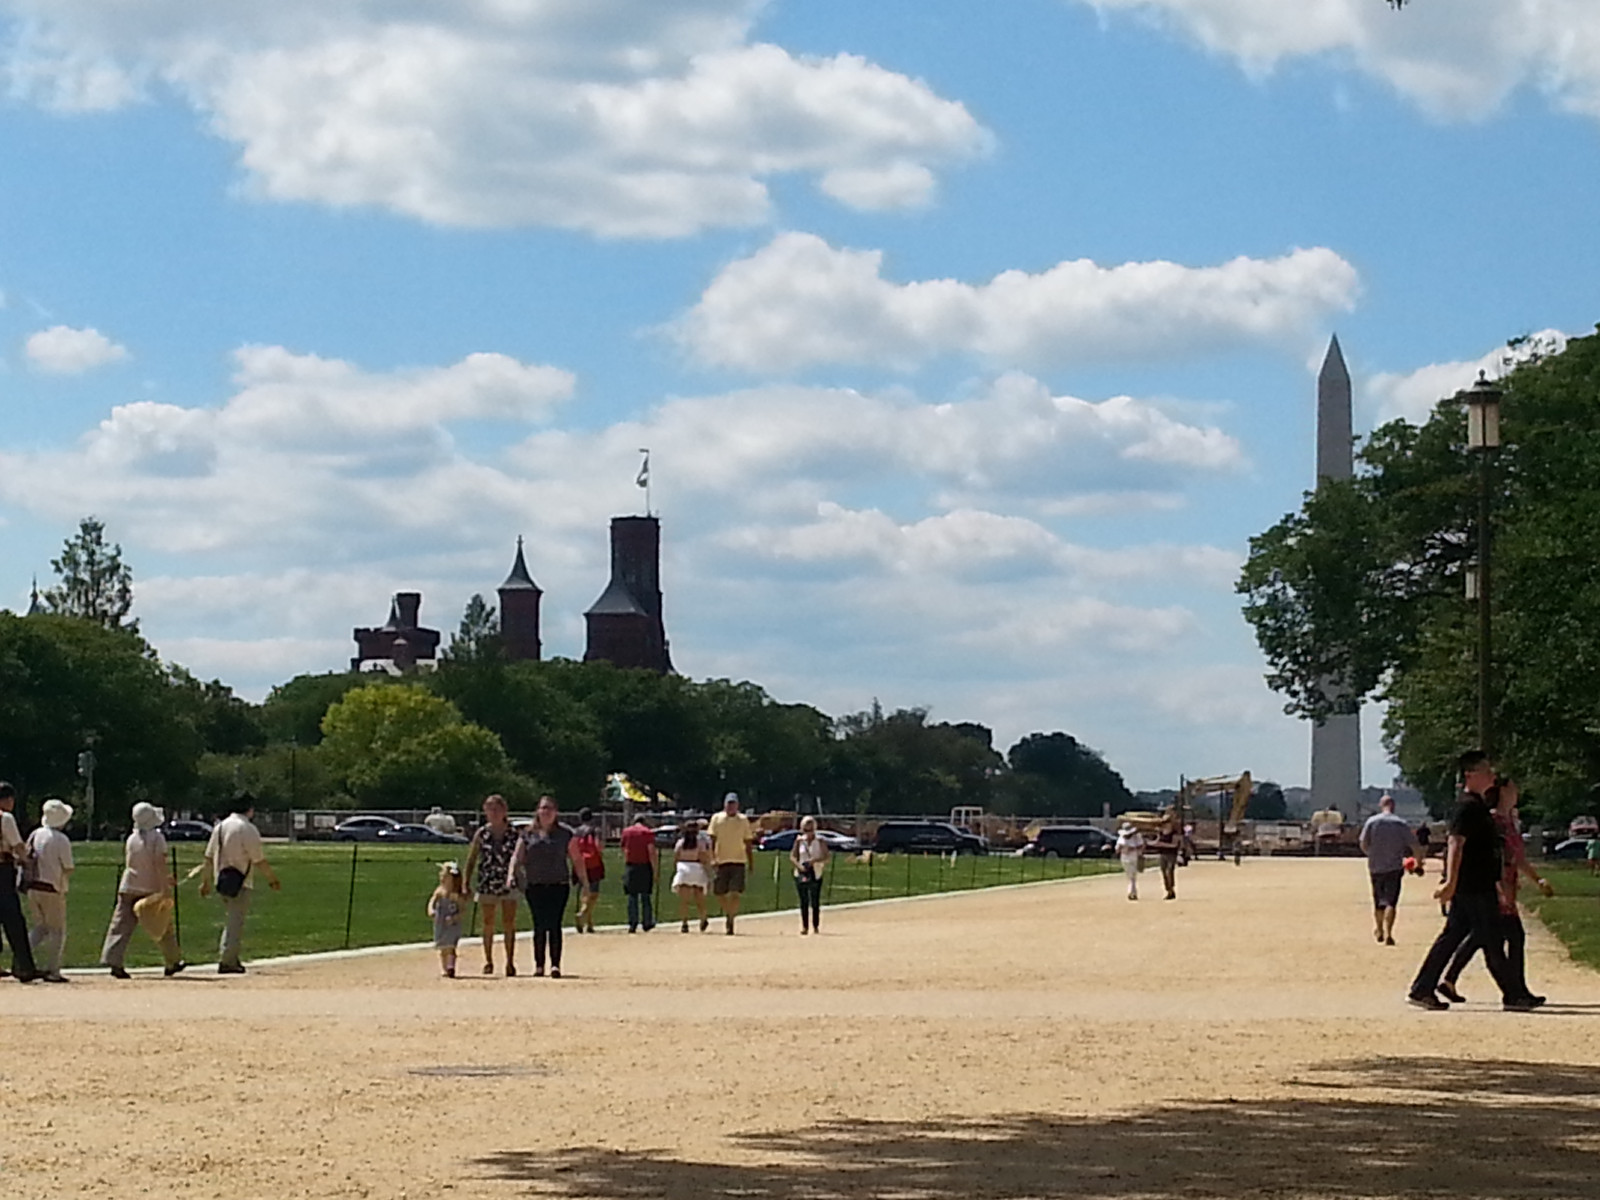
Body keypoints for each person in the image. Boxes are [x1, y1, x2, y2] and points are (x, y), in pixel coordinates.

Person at [1407, 750, 1538, 1011]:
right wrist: (1451, 882)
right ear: (1470, 775)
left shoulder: (1476, 806)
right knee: (1491, 939)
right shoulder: (1467, 807)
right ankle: (1513, 995)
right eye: (1486, 770)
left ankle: (1423, 988)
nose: (1492, 775)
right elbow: (1456, 843)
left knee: (1454, 936)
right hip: (1473, 885)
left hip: (1478, 883)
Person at [1438, 778, 1552, 1005]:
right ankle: (1516, 992)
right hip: (1495, 886)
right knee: (1499, 938)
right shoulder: (1494, 821)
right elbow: (1494, 857)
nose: (1516, 792)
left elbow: (1517, 857)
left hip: (1502, 885)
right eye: (1511, 789)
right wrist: (1500, 887)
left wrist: (1537, 879)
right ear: (1500, 793)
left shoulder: (1509, 821)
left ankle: (1451, 980)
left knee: (1481, 936)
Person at [101, 801, 185, 979]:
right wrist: (165, 887)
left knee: (120, 925)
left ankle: (113, 959)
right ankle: (173, 961)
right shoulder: (157, 838)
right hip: (150, 888)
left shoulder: (132, 838)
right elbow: (158, 864)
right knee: (162, 925)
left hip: (129, 885)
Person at [200, 793, 282, 975]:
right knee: (235, 921)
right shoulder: (247, 829)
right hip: (240, 880)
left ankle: (231, 956)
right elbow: (259, 859)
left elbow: (208, 857)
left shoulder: (220, 827)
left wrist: (205, 882)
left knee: (232, 918)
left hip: (221, 878)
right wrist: (272, 879)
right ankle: (228, 960)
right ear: (249, 809)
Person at [510, 795, 590, 978]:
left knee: (554, 924)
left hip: (558, 884)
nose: (546, 812)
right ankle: (539, 965)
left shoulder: (565, 834)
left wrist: (584, 882)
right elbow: (517, 857)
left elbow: (576, 858)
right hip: (534, 885)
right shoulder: (527, 834)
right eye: (543, 808)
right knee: (539, 925)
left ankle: (555, 965)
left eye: (550, 808)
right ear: (537, 811)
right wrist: (511, 875)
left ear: (556, 812)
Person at [464, 794, 521, 976]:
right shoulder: (482, 833)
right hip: (487, 881)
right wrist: (466, 882)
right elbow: (472, 859)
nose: (493, 813)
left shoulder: (514, 833)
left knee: (509, 923)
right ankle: (488, 960)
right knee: (488, 923)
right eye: (490, 810)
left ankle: (510, 961)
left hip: (508, 881)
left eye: (497, 809)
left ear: (504, 811)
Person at [1359, 794, 1422, 946]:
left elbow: (1363, 843)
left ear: (1381, 805)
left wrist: (1371, 854)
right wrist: (1418, 863)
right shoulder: (1400, 823)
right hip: (1394, 866)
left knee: (1378, 900)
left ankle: (1379, 928)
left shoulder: (1371, 822)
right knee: (1391, 901)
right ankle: (1389, 932)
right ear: (1393, 806)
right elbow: (1415, 846)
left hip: (1375, 866)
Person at [25, 798, 74, 982]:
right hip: (52, 887)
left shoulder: (36, 834)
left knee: (40, 928)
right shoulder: (61, 839)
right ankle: (53, 970)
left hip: (32, 886)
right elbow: (68, 866)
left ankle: (22, 960)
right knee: (57, 931)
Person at [0, 781, 40, 983]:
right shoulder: (5, 818)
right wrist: (26, 859)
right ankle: (24, 966)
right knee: (13, 919)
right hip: (2, 870)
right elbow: (17, 845)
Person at [708, 792, 755, 935]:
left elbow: (748, 842)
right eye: (729, 804)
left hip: (738, 860)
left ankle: (731, 920)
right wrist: (712, 858)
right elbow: (711, 841)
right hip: (721, 860)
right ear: (724, 804)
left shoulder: (743, 820)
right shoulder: (716, 818)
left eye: (733, 804)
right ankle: (728, 913)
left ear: (737, 805)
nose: (731, 807)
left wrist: (751, 862)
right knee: (719, 892)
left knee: (735, 892)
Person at [790, 817, 830, 935]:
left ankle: (816, 925)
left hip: (815, 872)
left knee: (815, 899)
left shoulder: (820, 841)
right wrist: (799, 866)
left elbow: (826, 856)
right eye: (806, 830)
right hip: (801, 872)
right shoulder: (799, 841)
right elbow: (792, 856)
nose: (808, 832)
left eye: (810, 829)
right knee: (803, 900)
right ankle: (804, 926)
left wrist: (814, 860)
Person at [619, 813, 658, 933]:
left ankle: (633, 923)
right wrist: (655, 870)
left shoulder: (626, 832)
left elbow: (623, 849)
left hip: (631, 866)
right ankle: (647, 922)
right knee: (646, 896)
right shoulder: (647, 832)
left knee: (632, 896)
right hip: (645, 866)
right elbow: (651, 851)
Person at [672, 819, 712, 933]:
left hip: (683, 868)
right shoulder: (700, 843)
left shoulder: (680, 843)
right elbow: (703, 857)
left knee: (684, 900)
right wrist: (708, 872)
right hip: (696, 868)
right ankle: (703, 918)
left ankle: (684, 923)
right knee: (699, 898)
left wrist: (676, 870)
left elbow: (676, 858)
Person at [428, 862, 465, 978]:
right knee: (442, 947)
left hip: (451, 924)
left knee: (450, 946)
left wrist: (455, 917)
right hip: (441, 922)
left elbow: (462, 910)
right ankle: (444, 967)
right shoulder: (440, 891)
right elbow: (432, 901)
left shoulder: (456, 895)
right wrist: (431, 910)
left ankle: (450, 967)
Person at [571, 807, 605, 934]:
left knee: (584, 892)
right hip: (593, 864)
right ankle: (583, 913)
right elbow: (598, 846)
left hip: (579, 863)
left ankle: (589, 923)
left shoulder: (576, 831)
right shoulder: (595, 830)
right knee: (594, 893)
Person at [1148, 816, 1181, 901]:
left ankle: (1171, 889)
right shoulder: (1161, 832)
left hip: (1171, 854)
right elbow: (1157, 841)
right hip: (1162, 854)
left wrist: (1161, 844)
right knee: (1163, 872)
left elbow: (1174, 845)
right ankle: (1168, 890)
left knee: (1169, 872)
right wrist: (1151, 843)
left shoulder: (1174, 833)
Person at [1115, 823, 1145, 901]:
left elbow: (1141, 846)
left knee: (1132, 875)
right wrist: (1122, 849)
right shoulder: (1122, 837)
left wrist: (1135, 850)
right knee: (1130, 875)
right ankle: (1133, 892)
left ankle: (1131, 892)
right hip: (1124, 857)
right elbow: (1117, 848)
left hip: (1134, 856)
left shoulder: (1137, 837)